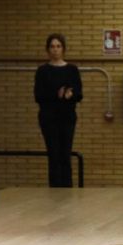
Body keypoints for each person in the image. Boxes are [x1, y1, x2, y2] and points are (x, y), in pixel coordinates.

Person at [34, 33, 81, 187]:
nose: (55, 50)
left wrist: (69, 95)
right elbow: (38, 95)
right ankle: (54, 189)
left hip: (67, 117)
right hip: (49, 118)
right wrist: (57, 94)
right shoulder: (42, 71)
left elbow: (79, 93)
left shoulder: (72, 69)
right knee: (53, 154)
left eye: (58, 46)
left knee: (65, 153)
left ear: (63, 49)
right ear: (48, 50)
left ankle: (67, 189)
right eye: (52, 47)